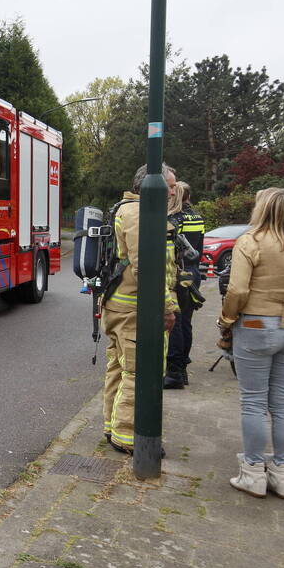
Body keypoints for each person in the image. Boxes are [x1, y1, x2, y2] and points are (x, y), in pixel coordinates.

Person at [102, 163, 179, 454]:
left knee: (119, 371)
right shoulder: (138, 214)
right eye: (169, 186)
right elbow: (148, 267)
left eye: (173, 186)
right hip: (134, 310)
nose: (173, 192)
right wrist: (167, 308)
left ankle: (112, 427)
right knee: (139, 373)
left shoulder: (128, 210)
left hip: (121, 306)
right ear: (147, 186)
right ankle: (127, 437)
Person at [218, 187, 284, 498]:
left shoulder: (251, 242)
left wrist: (226, 321)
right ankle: (281, 473)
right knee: (281, 403)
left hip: (256, 324)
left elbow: (238, 291)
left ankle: (254, 472)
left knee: (254, 402)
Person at [165, 182, 206, 389]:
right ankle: (182, 369)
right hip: (193, 274)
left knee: (176, 322)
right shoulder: (198, 217)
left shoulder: (173, 219)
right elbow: (199, 248)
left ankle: (174, 372)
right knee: (187, 322)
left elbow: (171, 251)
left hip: (178, 274)